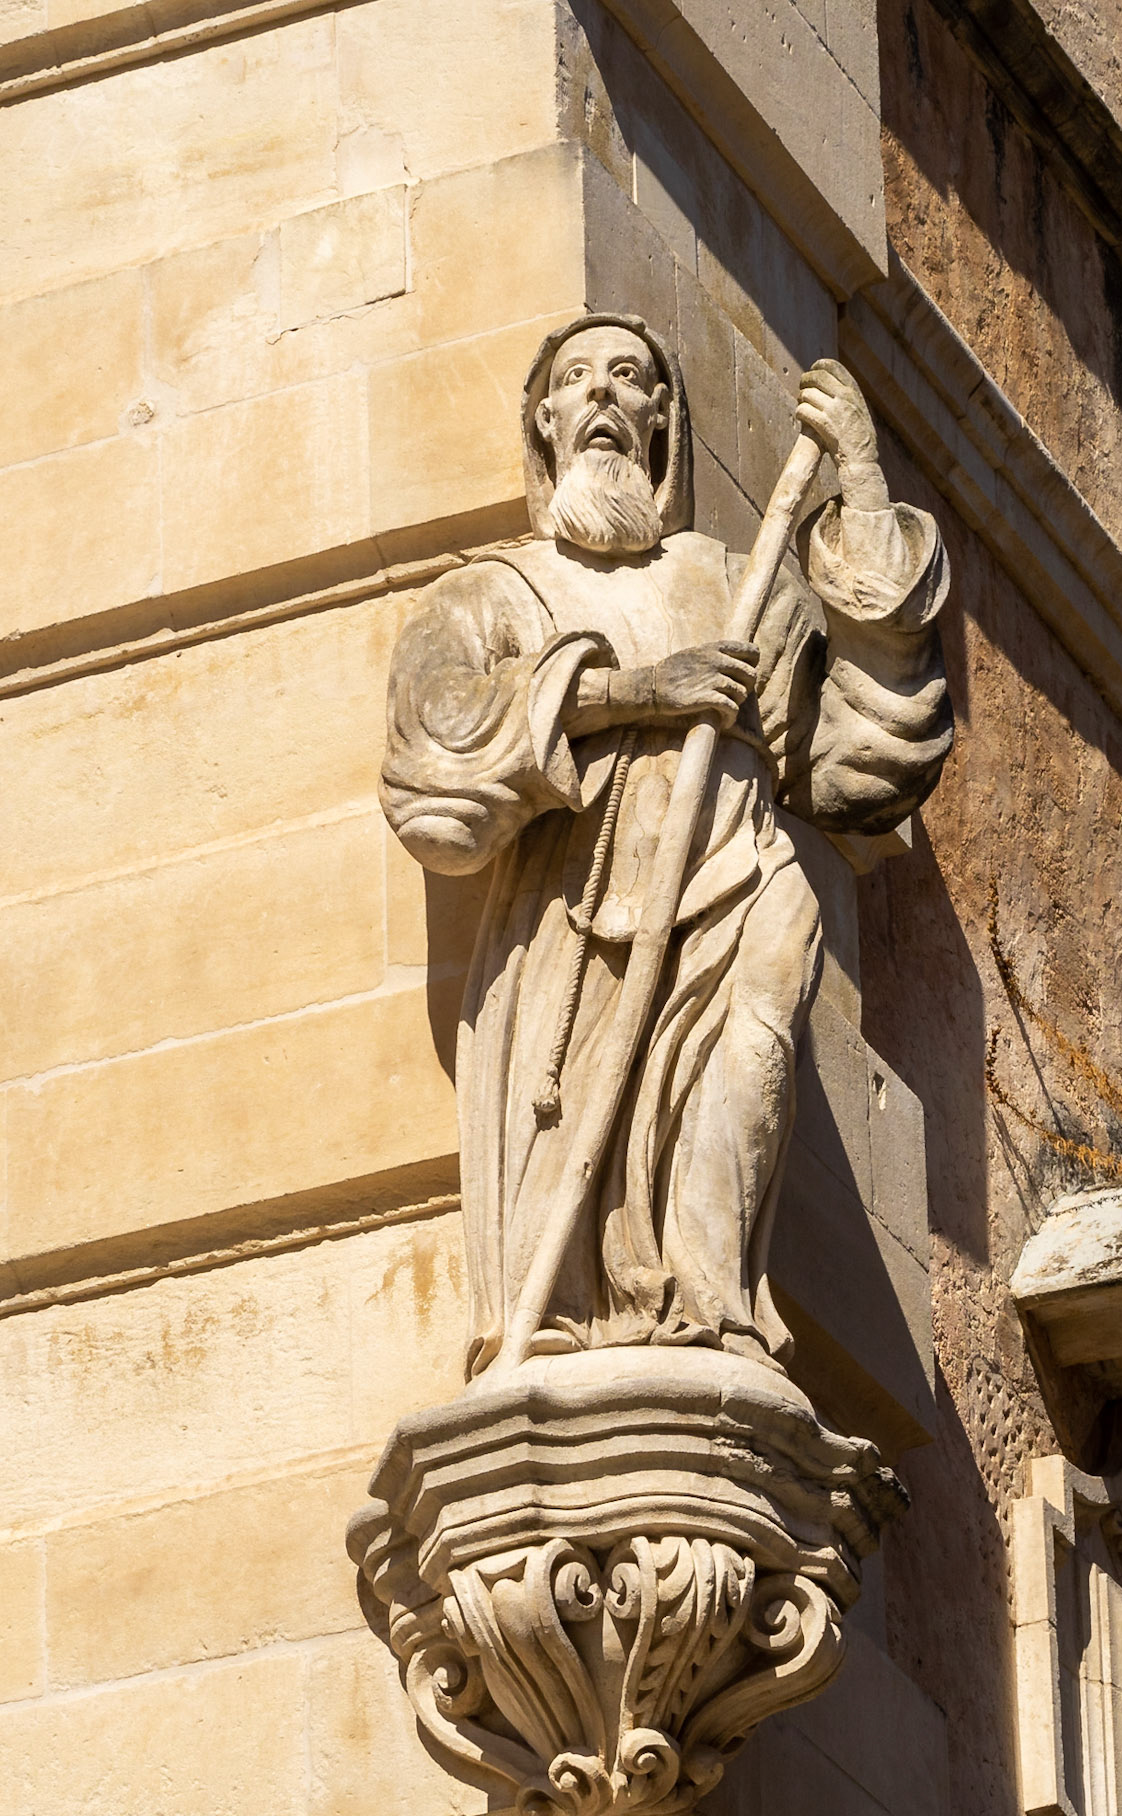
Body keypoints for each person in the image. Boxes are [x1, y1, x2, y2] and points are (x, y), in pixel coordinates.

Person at [381, 313, 951, 1374]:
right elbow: (429, 744)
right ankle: (587, 1324)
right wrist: (631, 692)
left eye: (629, 376)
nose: (601, 394)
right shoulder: (495, 591)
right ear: (544, 419)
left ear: (660, 418)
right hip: (573, 933)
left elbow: (864, 746)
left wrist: (863, 483)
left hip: (733, 883)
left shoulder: (730, 586)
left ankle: (711, 1298)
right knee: (573, 1204)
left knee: (762, 1015)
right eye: (577, 379)